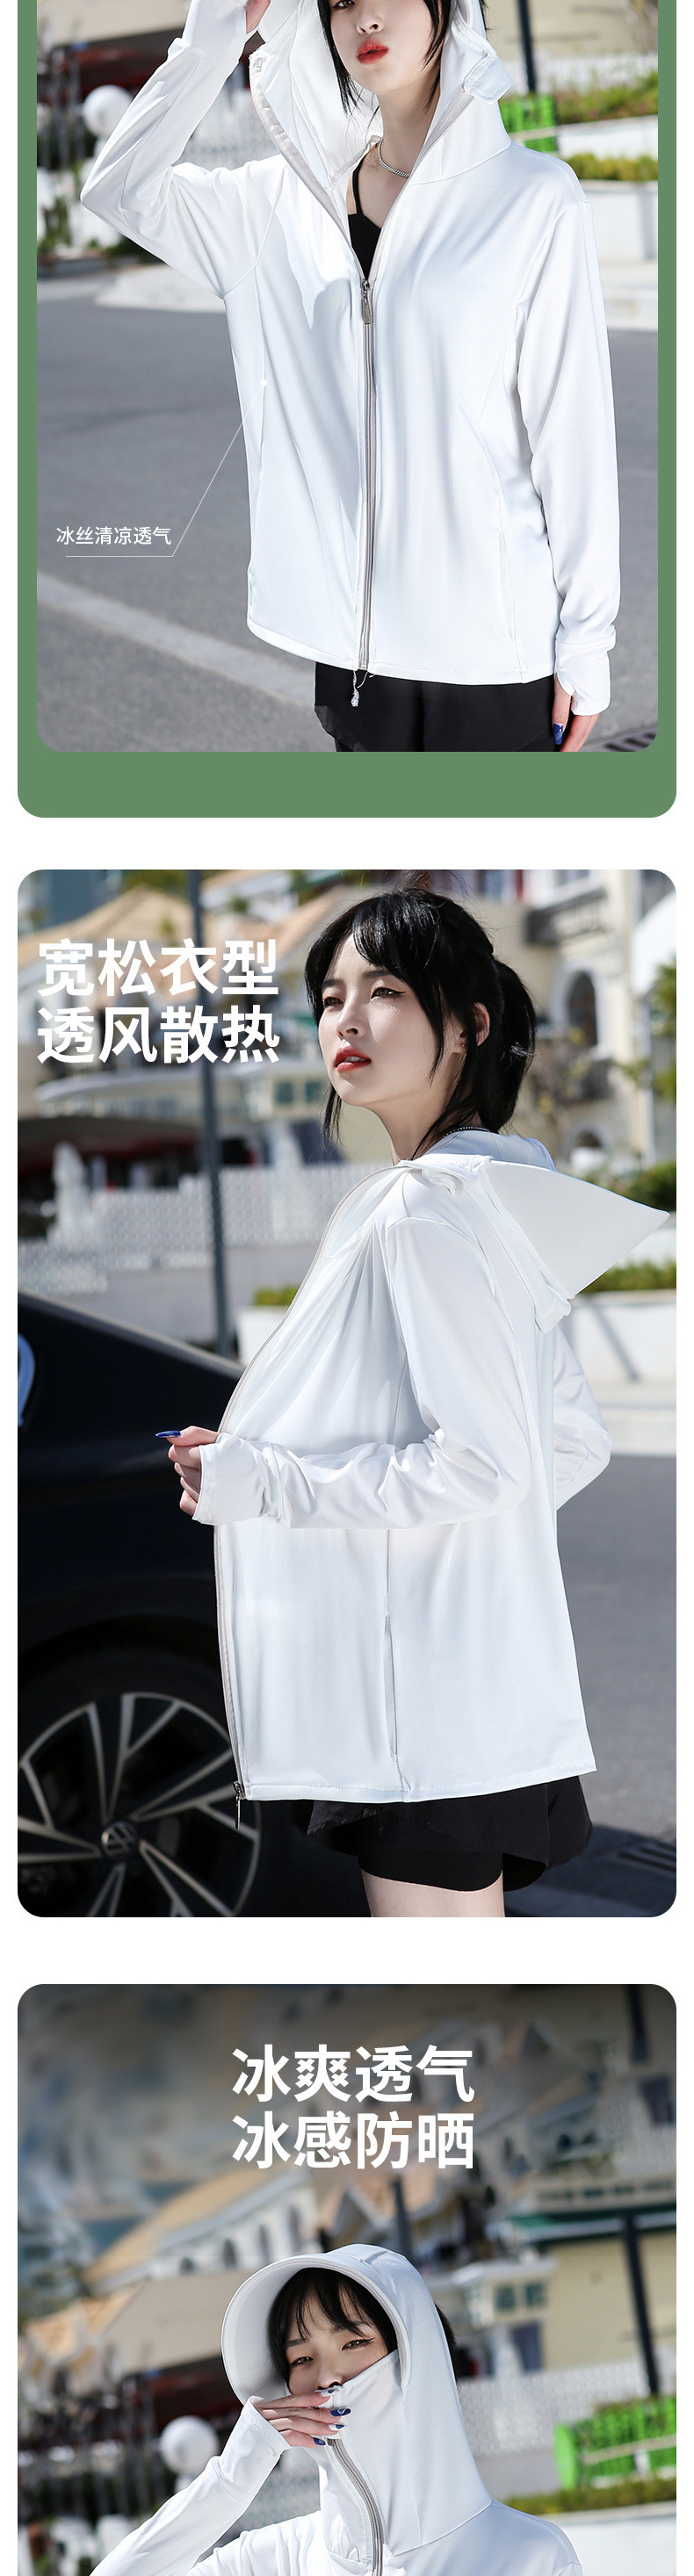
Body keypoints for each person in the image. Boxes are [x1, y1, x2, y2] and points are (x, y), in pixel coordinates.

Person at [165, 888, 663, 1921]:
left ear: (469, 1023)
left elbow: (484, 1461)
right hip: (481, 1680)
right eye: (329, 996)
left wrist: (265, 1481)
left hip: (415, 1703)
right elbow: (565, 1440)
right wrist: (454, 1541)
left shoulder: (419, 1210)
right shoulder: (495, 1199)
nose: (345, 1018)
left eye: (385, 990)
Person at [81, 0, 619, 754]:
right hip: (357, 658)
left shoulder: (533, 198)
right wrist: (211, 42)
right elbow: (118, 188)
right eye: (339, 1)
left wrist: (588, 635)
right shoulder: (273, 207)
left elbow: (574, 436)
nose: (364, 17)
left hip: (495, 656)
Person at [86, 2251, 584, 2576]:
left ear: (415, 2357)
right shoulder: (279, 2559)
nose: (327, 2378)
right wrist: (230, 2480)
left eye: (354, 2343)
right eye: (301, 2358)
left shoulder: (527, 2556)